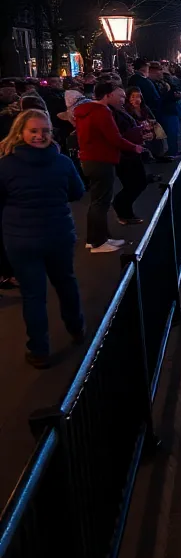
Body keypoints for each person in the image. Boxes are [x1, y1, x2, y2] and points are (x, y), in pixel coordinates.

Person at [0, 110, 89, 367]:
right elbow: (77, 191)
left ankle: (39, 350)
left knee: (33, 295)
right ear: (22, 132)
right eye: (35, 131)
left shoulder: (5, 165)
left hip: (21, 239)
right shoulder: (62, 163)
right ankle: (76, 328)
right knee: (66, 283)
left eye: (44, 131)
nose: (40, 136)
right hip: (58, 233)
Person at [75, 82, 144, 252]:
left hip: (90, 159)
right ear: (108, 95)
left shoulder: (86, 111)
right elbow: (114, 138)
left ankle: (98, 238)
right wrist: (134, 147)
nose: (122, 99)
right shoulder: (102, 112)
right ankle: (98, 242)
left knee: (98, 200)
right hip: (101, 159)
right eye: (119, 96)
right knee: (101, 202)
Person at [109, 87, 149, 226]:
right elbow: (118, 134)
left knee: (138, 182)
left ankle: (125, 210)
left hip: (132, 150)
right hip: (125, 153)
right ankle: (122, 209)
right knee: (134, 183)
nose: (123, 99)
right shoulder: (113, 113)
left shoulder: (121, 111)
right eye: (120, 97)